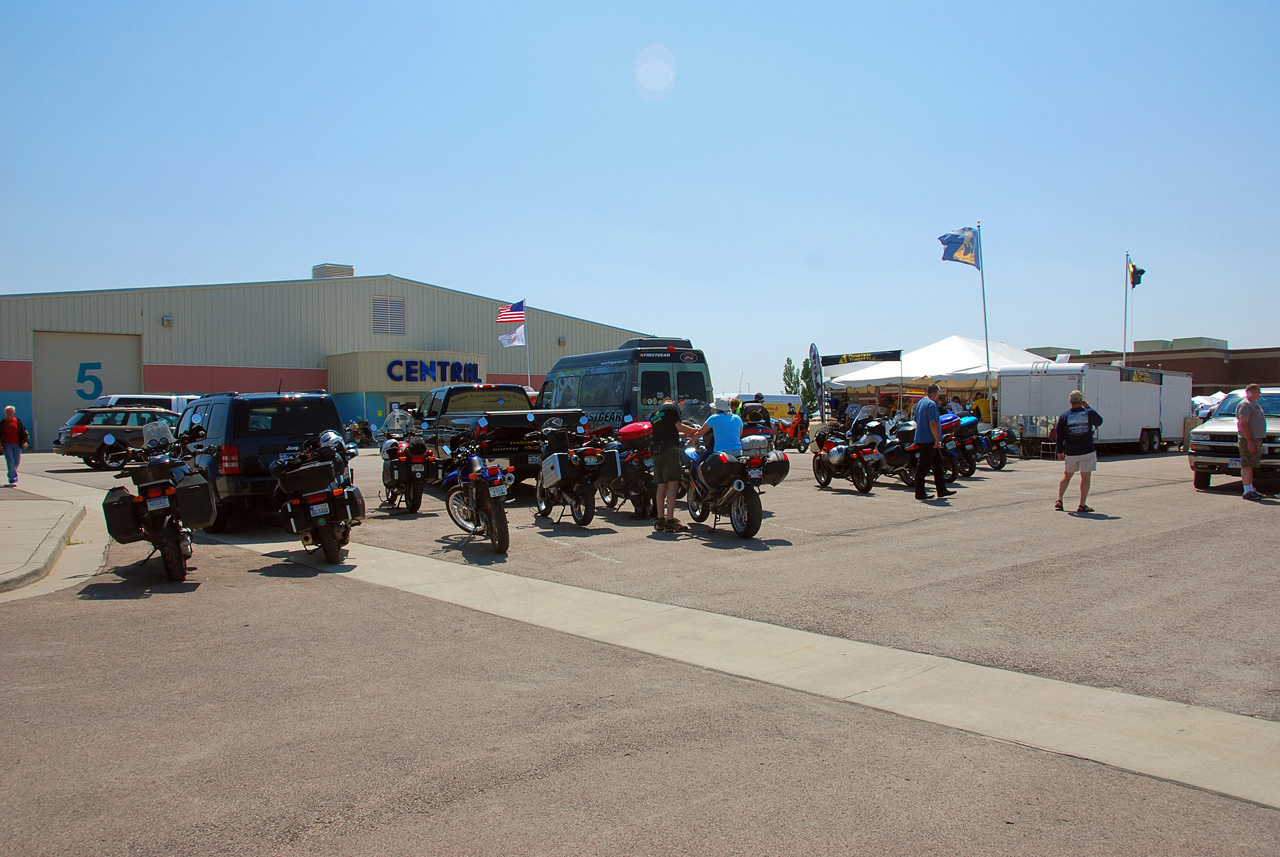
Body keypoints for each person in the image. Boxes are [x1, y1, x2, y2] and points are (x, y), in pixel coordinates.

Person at [649, 397, 695, 531]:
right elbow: (679, 426)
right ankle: (670, 521)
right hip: (669, 449)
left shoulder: (655, 413)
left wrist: (682, 435)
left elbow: (667, 431)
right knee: (673, 484)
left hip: (656, 448)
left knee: (661, 485)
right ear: (673, 402)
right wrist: (693, 431)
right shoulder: (672, 408)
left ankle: (660, 519)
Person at [1055, 390, 1104, 512]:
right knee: (1085, 477)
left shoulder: (1064, 416)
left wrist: (1060, 450)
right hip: (1087, 451)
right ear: (1081, 401)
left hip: (1071, 451)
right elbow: (1099, 421)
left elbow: (1059, 435)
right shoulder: (1088, 413)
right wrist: (1088, 407)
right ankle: (1082, 504)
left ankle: (1059, 500)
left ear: (1070, 401)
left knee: (1067, 475)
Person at [913, 384, 953, 501]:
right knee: (923, 466)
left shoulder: (920, 403)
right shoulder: (931, 404)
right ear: (935, 394)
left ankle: (941, 489)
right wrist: (937, 439)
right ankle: (919, 492)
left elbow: (916, 419)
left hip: (922, 437)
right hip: (928, 439)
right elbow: (933, 423)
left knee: (938, 464)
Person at [691, 397, 743, 487]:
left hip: (721, 453)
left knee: (699, 467)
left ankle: (709, 489)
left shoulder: (714, 418)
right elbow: (739, 434)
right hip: (738, 452)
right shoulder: (737, 418)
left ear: (717, 409)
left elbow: (700, 432)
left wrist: (691, 441)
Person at [1236, 383, 1267, 501]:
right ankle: (1247, 491)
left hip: (1255, 438)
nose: (1260, 394)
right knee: (1247, 464)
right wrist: (1249, 440)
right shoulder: (1245, 404)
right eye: (1258, 391)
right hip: (1248, 439)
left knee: (1251, 464)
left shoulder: (1254, 404)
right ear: (1252, 392)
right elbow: (1243, 423)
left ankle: (1251, 489)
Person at [2, 405, 30, 487]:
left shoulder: (18, 421)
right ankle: (13, 479)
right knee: (10, 460)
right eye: (8, 411)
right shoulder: (3, 423)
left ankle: (11, 472)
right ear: (5, 413)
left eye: (11, 411)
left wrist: (26, 441)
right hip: (7, 444)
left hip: (17, 444)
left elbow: (24, 432)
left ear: (14, 412)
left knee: (17, 461)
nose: (10, 413)